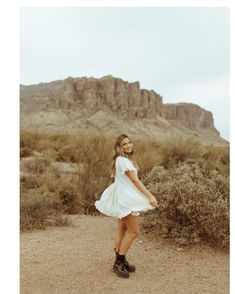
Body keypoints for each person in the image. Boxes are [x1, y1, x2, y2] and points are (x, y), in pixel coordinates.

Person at [95, 134, 159, 278]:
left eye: (129, 142)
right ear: (119, 147)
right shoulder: (123, 161)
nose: (128, 145)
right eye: (124, 144)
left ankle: (120, 261)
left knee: (122, 229)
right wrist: (150, 196)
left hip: (123, 196)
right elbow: (136, 182)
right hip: (126, 199)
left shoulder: (121, 160)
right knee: (134, 232)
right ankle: (119, 262)